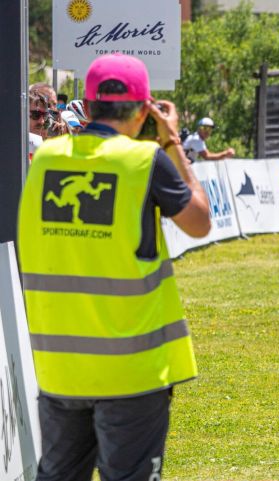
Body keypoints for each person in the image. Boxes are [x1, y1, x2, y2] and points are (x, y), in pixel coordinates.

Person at [17, 53, 211, 481]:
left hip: (60, 367)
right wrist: (173, 142)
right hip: (131, 370)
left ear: (87, 104)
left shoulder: (47, 160)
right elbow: (199, 222)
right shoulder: (144, 161)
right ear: (144, 110)